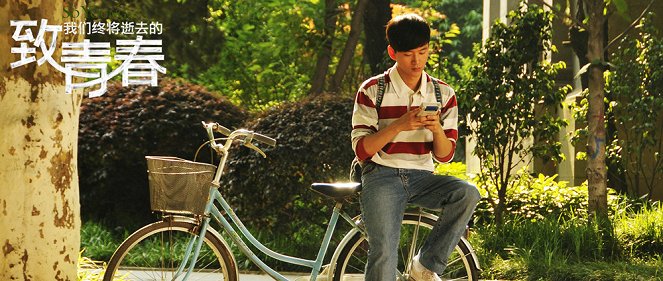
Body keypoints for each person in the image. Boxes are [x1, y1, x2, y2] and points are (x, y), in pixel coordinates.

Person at [350, 13, 481, 281]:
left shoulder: (443, 93)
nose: (417, 61)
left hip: (423, 176)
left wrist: (436, 130)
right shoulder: (373, 90)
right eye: (408, 54)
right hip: (382, 174)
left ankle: (426, 264)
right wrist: (398, 125)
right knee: (384, 251)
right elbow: (362, 150)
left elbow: (445, 155)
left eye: (422, 52)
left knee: (467, 193)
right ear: (392, 52)